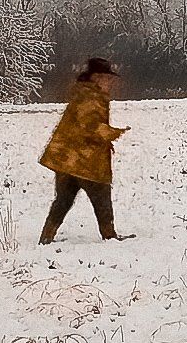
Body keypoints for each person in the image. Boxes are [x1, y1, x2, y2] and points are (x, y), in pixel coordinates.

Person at [39, 57, 132, 243]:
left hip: (65, 159)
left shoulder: (83, 93)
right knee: (102, 196)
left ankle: (47, 236)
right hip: (85, 160)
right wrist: (111, 133)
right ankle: (109, 235)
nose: (110, 82)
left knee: (63, 200)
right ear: (96, 77)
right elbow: (90, 125)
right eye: (107, 78)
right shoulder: (91, 97)